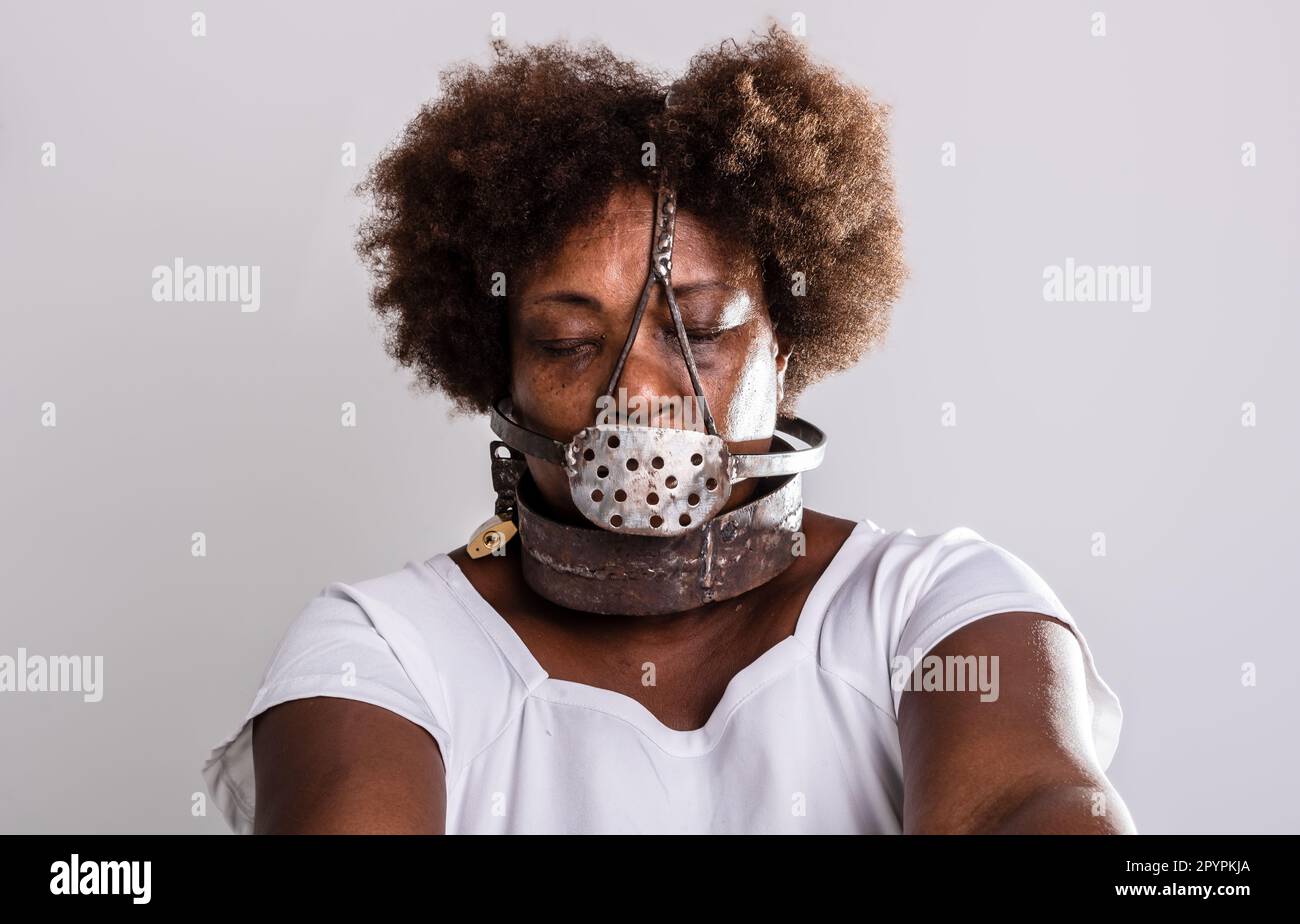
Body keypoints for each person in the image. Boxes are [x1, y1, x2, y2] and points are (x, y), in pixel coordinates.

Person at [202, 25, 1132, 834]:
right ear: (502, 378)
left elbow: (1022, 807)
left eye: (702, 329)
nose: (642, 396)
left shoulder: (931, 605)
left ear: (787, 345)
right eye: (569, 343)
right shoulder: (384, 648)